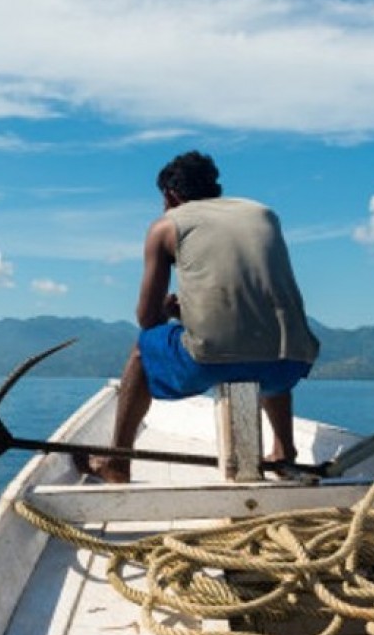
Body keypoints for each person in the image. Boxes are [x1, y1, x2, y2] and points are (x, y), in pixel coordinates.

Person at [82, 150, 320, 483]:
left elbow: (148, 320)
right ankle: (284, 451)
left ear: (170, 195)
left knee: (142, 349)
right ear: (215, 189)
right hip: (290, 362)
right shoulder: (264, 214)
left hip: (210, 361)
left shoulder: (166, 225)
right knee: (266, 336)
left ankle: (118, 462)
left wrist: (168, 312)